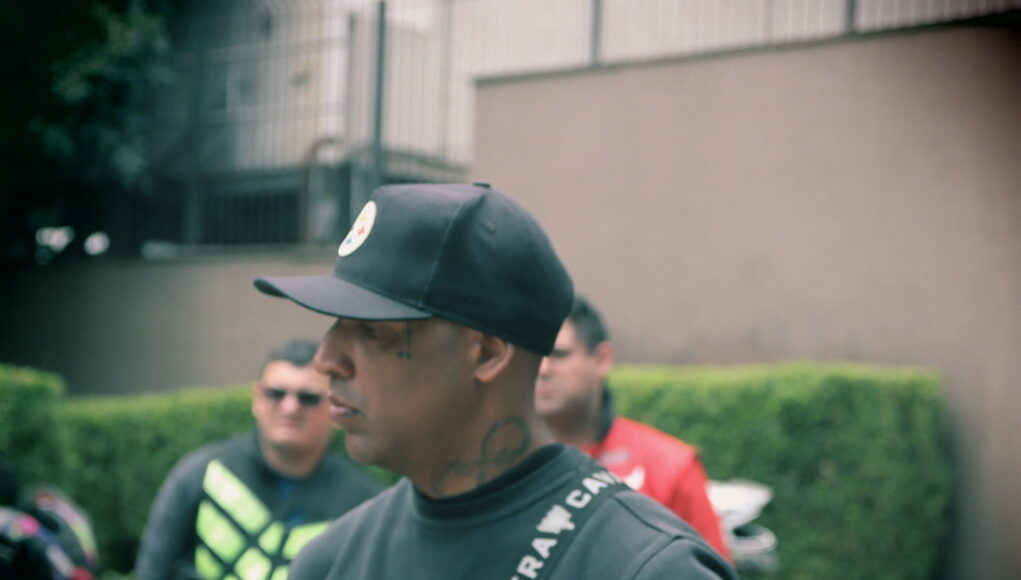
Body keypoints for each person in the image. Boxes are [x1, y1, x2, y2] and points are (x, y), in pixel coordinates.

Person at [253, 182, 737, 579]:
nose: (326, 359)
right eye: (334, 325)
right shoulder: (331, 562)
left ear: (486, 353)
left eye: (371, 330)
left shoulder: (648, 568)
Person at [133, 339, 383, 580]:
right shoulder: (200, 473)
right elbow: (152, 571)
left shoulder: (363, 505)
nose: (290, 408)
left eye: (308, 398)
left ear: (336, 407)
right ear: (257, 399)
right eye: (276, 394)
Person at [535, 296, 731, 560]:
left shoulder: (671, 466)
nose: (543, 369)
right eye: (534, 356)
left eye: (559, 355)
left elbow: (711, 569)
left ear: (602, 359)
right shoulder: (497, 464)